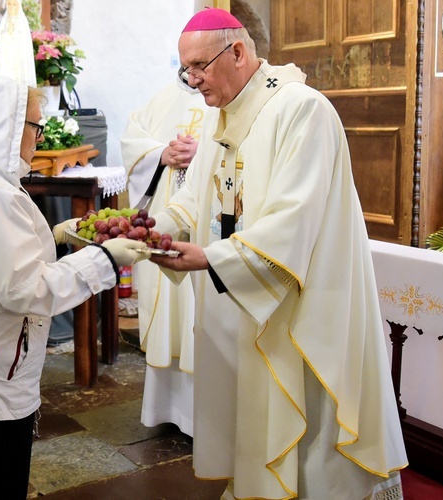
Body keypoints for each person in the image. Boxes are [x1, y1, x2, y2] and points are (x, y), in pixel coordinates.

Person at [148, 8, 408, 499]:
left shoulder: (302, 110)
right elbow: (191, 203)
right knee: (251, 412)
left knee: (308, 430)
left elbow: (293, 222)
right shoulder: (220, 117)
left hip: (299, 307)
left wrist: (209, 259)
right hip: (241, 299)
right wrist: (148, 231)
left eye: (199, 66)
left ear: (239, 52)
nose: (192, 80)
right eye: (185, 70)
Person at [0, 72, 147, 499]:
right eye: (33, 125)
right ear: (3, 126)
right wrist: (105, 259)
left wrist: (56, 235)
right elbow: (26, 288)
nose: (39, 135)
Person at [121, 81, 214, 436]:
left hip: (205, 227)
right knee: (168, 313)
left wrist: (203, 153)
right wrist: (161, 154)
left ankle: (204, 420)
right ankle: (168, 409)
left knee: (198, 309)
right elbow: (132, 141)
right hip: (165, 219)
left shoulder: (229, 96)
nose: (194, 73)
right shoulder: (161, 98)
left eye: (200, 63)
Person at [0, 0, 36, 87]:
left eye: (14, 5)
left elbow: (24, 44)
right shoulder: (3, 23)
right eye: (9, 4)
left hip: (19, 60)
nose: (11, 7)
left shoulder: (22, 23)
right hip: (7, 59)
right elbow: (1, 41)